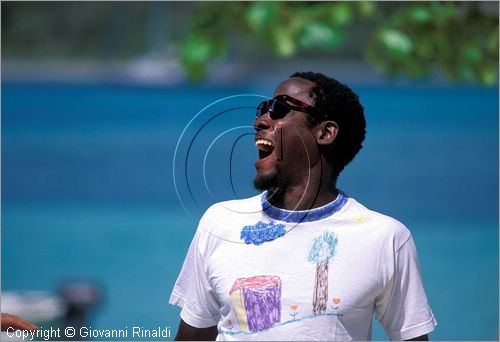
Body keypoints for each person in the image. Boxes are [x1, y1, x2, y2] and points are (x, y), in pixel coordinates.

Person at [169, 72, 437, 341]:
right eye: (263, 109)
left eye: (280, 108)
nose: (261, 120)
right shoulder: (220, 222)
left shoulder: (385, 239)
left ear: (325, 132)